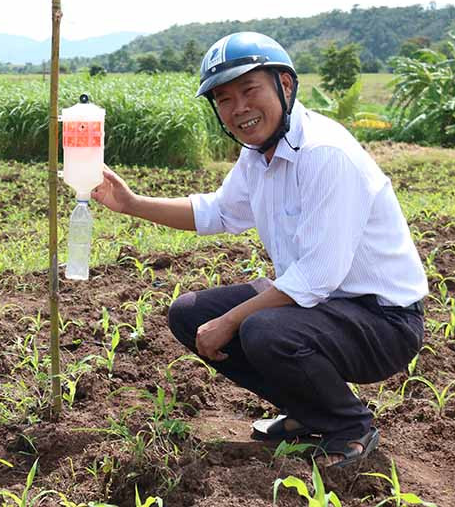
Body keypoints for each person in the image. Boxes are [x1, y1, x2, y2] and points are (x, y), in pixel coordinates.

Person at [90, 32, 427, 469]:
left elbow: (317, 274)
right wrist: (133, 204)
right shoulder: (258, 154)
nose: (239, 109)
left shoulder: (326, 154)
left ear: (285, 86)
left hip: (383, 321)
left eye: (250, 90)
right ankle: (310, 413)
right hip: (326, 309)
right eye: (225, 99)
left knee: (261, 329)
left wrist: (230, 321)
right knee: (190, 314)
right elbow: (219, 212)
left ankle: (350, 425)